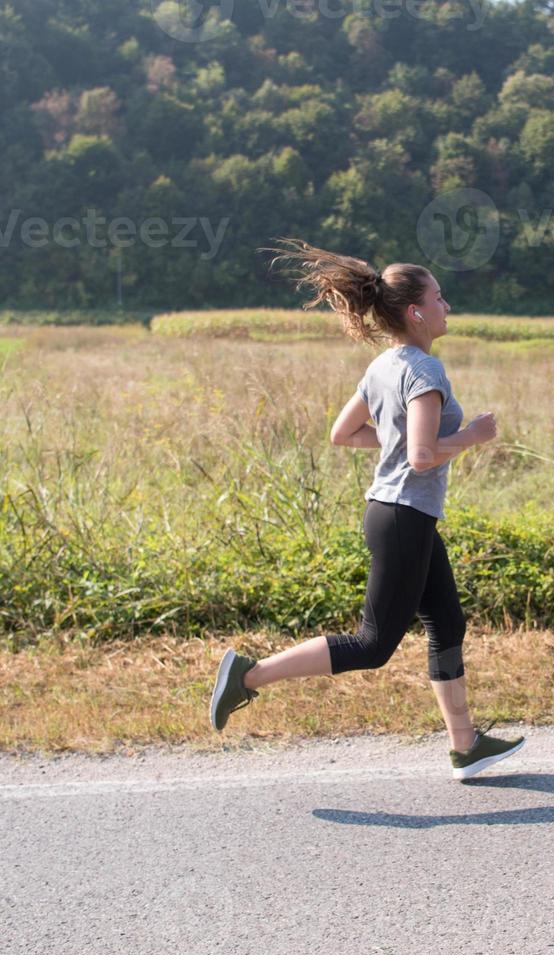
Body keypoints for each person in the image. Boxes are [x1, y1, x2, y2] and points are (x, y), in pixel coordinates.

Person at [208, 238, 525, 780]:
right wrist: (470, 436)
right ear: (416, 311)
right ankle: (248, 675)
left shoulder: (383, 365)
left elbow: (343, 433)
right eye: (440, 297)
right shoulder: (425, 371)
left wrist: (404, 445)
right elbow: (423, 458)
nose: (448, 306)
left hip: (397, 512)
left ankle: (466, 744)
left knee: (447, 620)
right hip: (404, 513)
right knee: (373, 644)